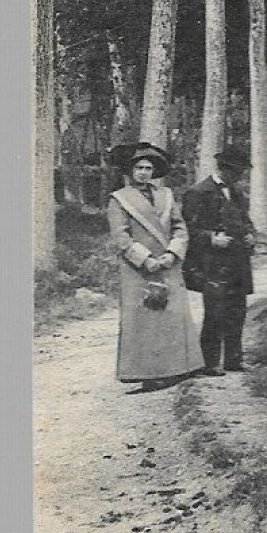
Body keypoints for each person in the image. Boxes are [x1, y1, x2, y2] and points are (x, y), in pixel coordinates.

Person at [106, 142, 202, 389]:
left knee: (173, 315)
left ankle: (181, 368)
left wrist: (173, 252)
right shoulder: (118, 200)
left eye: (148, 168)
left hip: (168, 264)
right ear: (129, 171)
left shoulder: (166, 195)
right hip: (138, 269)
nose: (144, 173)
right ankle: (148, 374)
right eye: (139, 168)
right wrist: (145, 259)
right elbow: (120, 237)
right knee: (145, 319)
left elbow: (180, 227)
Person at [182, 147, 257, 375]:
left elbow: (245, 221)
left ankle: (234, 359)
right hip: (211, 263)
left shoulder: (237, 193)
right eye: (236, 172)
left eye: (241, 172)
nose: (239, 176)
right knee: (215, 311)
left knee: (238, 310)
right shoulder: (198, 192)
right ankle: (210, 362)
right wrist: (212, 239)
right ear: (223, 169)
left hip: (237, 261)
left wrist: (251, 234)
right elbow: (188, 229)